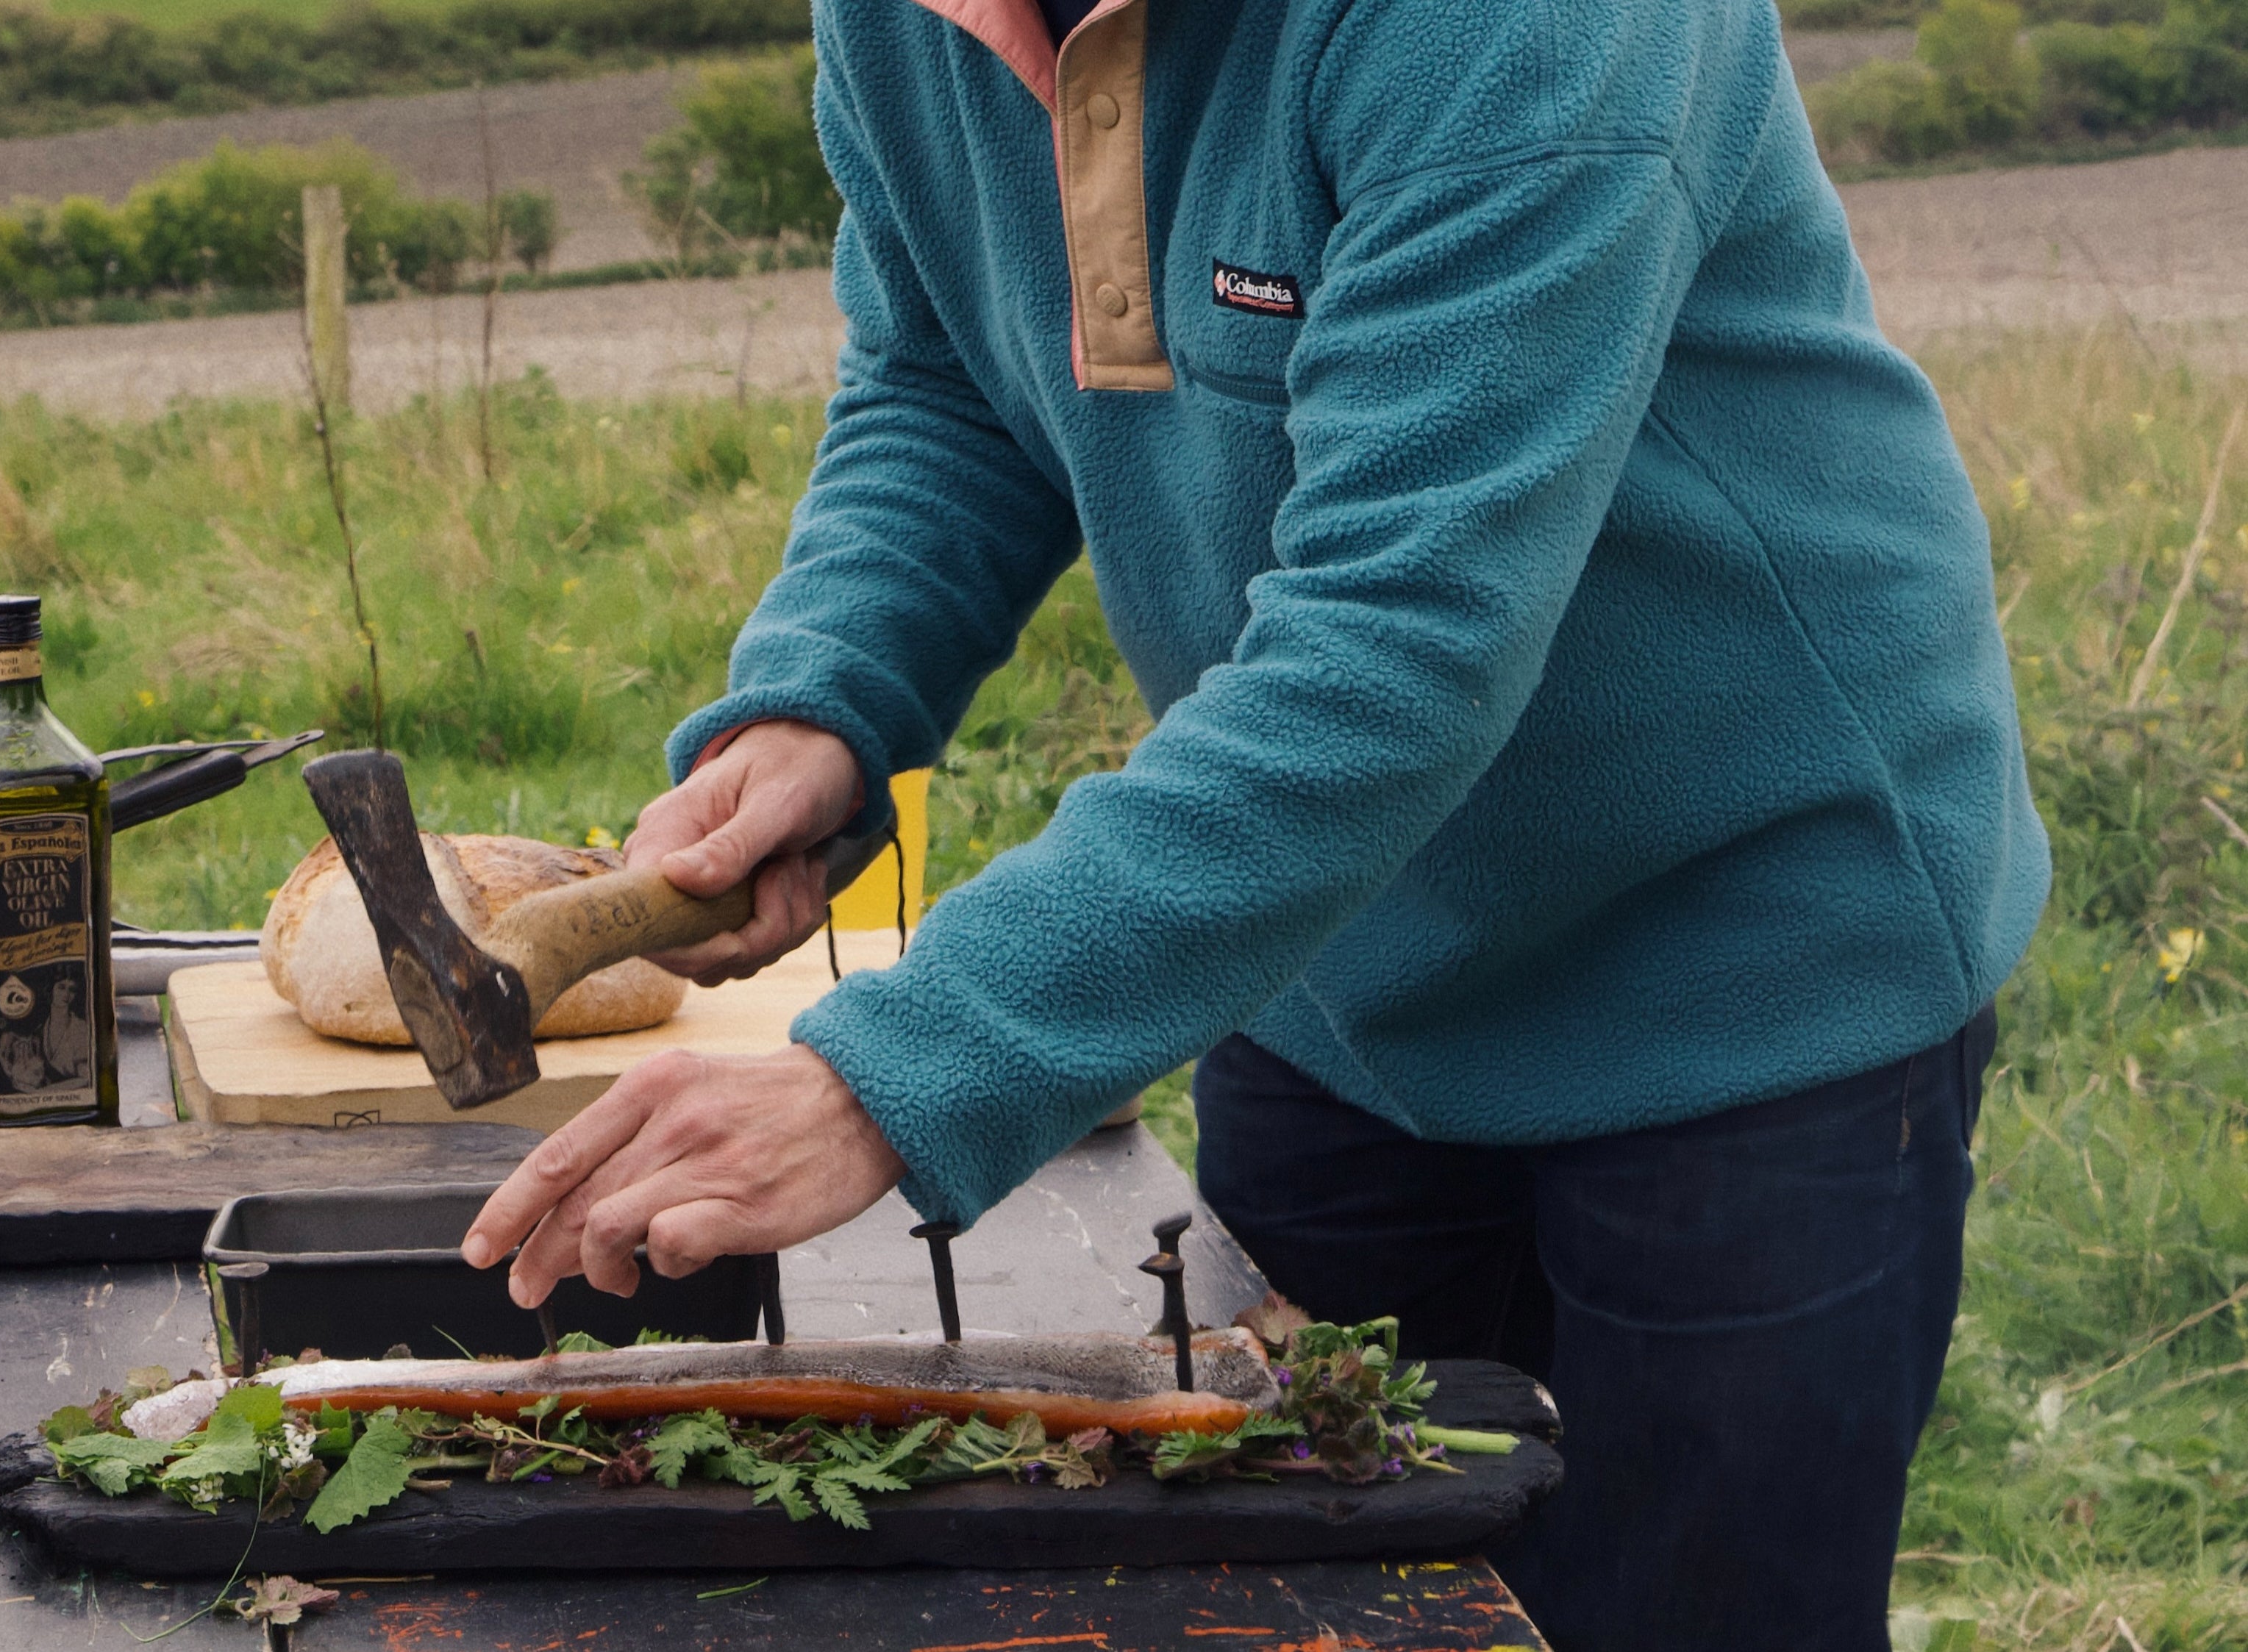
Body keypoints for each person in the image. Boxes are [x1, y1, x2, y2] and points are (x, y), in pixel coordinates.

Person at [461, 0, 2051, 1640]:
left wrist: (895, 1066)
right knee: (1299, 1596)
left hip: (1746, 956)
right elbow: (944, 379)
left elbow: (1397, 640)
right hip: (1333, 956)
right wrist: (824, 697)